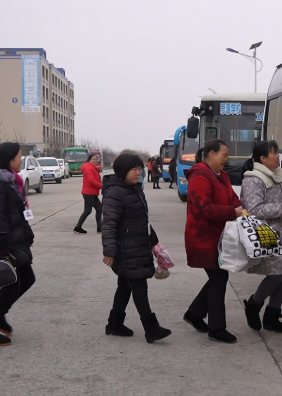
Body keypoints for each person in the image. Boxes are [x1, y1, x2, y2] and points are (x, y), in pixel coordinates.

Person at [100, 153, 172, 343]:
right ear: (123, 171)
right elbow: (109, 225)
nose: (138, 173)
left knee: (125, 286)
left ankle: (114, 324)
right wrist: (109, 252)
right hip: (126, 250)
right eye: (134, 169)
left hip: (138, 245)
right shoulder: (115, 193)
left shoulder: (134, 189)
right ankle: (151, 328)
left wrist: (153, 241)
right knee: (139, 286)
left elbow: (142, 220)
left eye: (140, 169)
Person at [184, 139, 245, 344]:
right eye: (223, 155)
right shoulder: (200, 176)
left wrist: (240, 209)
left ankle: (194, 313)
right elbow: (204, 209)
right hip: (203, 238)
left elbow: (232, 199)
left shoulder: (221, 175)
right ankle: (216, 328)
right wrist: (232, 212)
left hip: (220, 237)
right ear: (211, 154)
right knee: (219, 278)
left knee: (218, 278)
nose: (226, 159)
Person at [0, 142, 36, 347]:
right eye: (19, 156)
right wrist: (3, 247)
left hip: (16, 240)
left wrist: (27, 234)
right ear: (9, 159)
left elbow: (18, 213)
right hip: (4, 243)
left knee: (27, 278)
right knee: (12, 286)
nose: (21, 160)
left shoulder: (12, 181)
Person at [240, 141, 282, 333]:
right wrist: (280, 210)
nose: (278, 156)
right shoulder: (254, 179)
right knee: (275, 276)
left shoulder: (275, 176)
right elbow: (254, 209)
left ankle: (272, 316)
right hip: (267, 235)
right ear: (263, 158)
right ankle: (254, 304)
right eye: (274, 153)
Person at [73, 153, 103, 234]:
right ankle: (78, 227)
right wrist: (101, 186)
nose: (95, 161)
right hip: (89, 193)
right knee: (87, 210)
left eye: (96, 159)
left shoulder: (93, 168)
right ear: (89, 160)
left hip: (93, 193)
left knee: (99, 209)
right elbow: (91, 180)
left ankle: (99, 227)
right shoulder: (89, 168)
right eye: (93, 159)